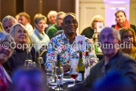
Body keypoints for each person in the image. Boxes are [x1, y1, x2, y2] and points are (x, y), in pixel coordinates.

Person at [69, 27, 136, 91]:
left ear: (118, 43)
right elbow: (83, 86)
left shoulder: (127, 62)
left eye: (111, 37)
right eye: (103, 38)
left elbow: (131, 84)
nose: (106, 40)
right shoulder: (96, 69)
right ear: (100, 45)